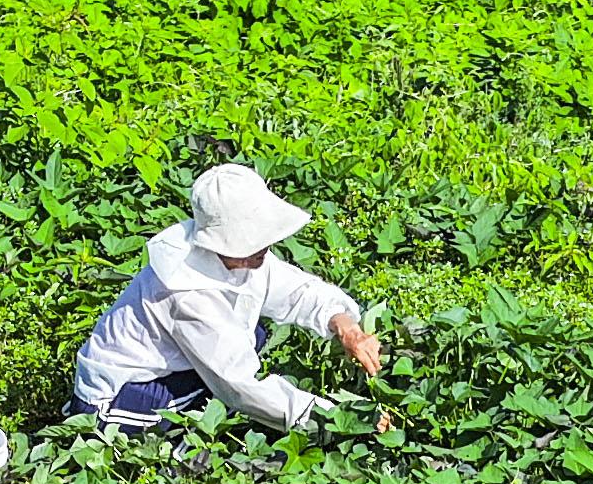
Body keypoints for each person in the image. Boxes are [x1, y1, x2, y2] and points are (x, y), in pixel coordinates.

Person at [71, 160, 386, 430]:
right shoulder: (185, 291)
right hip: (120, 396)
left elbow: (297, 291)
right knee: (228, 401)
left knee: (255, 335)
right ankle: (175, 450)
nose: (259, 252)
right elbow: (238, 385)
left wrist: (346, 327)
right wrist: (337, 417)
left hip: (172, 369)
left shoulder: (245, 258)